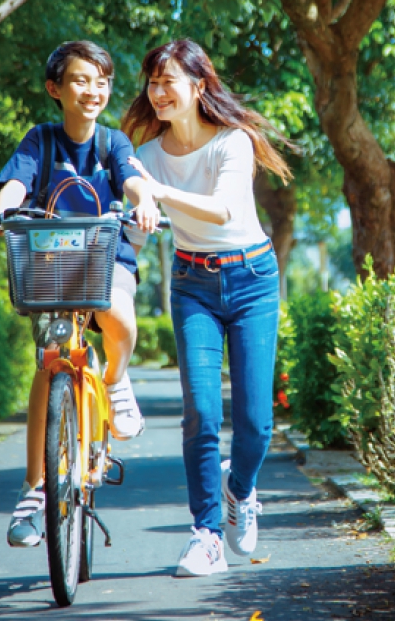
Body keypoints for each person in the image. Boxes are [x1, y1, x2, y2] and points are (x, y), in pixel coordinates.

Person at [0, 41, 159, 548]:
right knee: (51, 361)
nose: (93, 90)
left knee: (117, 313)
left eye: (101, 82)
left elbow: (135, 183)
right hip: (51, 267)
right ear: (56, 89)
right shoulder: (41, 140)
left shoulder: (113, 144)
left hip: (105, 261)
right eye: (80, 80)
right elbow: (15, 186)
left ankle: (117, 381)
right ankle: (34, 489)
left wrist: (142, 204)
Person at [122, 39, 292, 577]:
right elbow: (138, 233)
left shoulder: (233, 143)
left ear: (199, 85)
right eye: (152, 81)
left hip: (253, 281)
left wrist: (157, 194)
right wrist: (116, 259)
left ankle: (239, 487)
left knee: (256, 424)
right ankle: (206, 535)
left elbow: (222, 210)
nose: (158, 91)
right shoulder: (144, 159)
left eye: (168, 80)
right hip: (192, 283)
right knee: (200, 412)